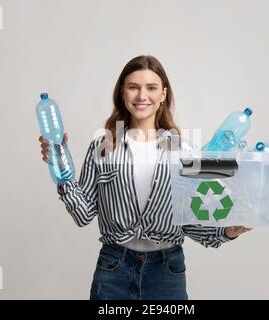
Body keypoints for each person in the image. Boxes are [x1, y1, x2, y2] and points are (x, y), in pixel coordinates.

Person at [38, 55, 252, 300]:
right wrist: (61, 171)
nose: (142, 96)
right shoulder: (103, 146)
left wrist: (228, 231)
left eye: (151, 88)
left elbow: (191, 221)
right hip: (114, 269)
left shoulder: (184, 151)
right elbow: (83, 214)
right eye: (133, 87)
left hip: (166, 271)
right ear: (122, 93)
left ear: (163, 94)